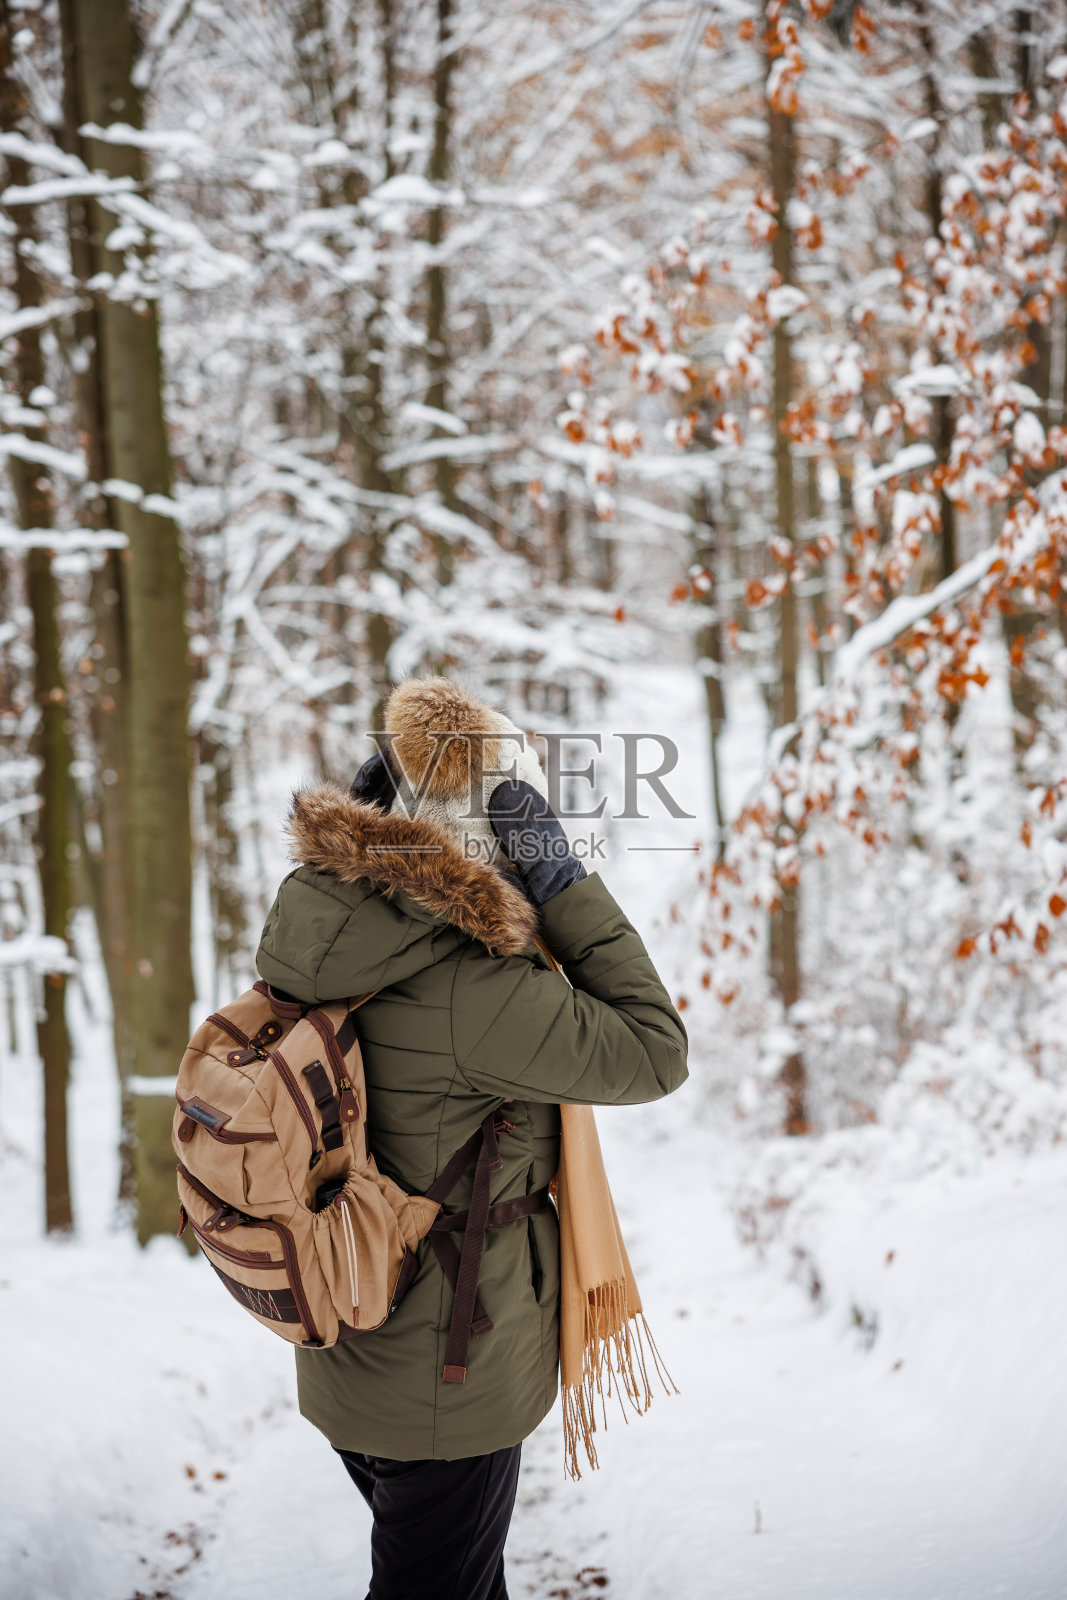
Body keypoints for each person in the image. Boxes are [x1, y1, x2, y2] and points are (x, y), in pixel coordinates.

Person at [255, 678, 688, 1600]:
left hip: (350, 1345)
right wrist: (566, 887)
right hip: (445, 1372)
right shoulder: (472, 985)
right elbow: (655, 1051)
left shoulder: (324, 927)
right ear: (500, 837)